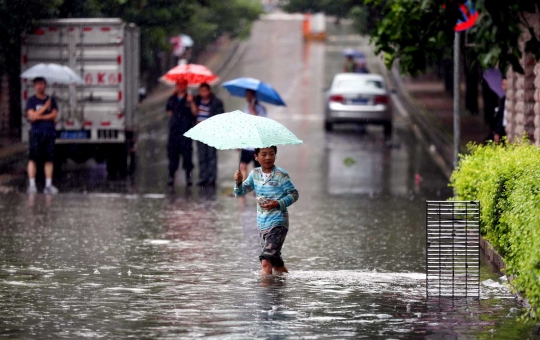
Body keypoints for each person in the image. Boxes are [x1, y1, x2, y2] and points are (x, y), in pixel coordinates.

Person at [233, 146, 299, 275]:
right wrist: (238, 182)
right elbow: (240, 193)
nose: (268, 157)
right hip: (263, 224)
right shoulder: (254, 174)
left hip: (278, 223)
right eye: (264, 154)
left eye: (271, 154)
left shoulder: (281, 174)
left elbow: (294, 194)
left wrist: (278, 203)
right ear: (256, 157)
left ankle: (266, 294)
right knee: (276, 264)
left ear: (275, 155)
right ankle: (284, 283)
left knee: (265, 261)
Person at [26, 77, 59, 194]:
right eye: (37, 84)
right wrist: (45, 108)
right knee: (33, 159)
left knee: (49, 160)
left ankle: (48, 185)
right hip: (36, 133)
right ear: (34, 86)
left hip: (49, 133)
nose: (39, 86)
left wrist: (39, 116)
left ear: (45, 85)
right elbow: (31, 116)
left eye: (41, 84)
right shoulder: (31, 101)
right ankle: (32, 185)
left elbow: (54, 115)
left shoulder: (52, 100)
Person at [166, 79, 198, 189]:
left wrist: (191, 102)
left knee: (187, 155)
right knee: (172, 155)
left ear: (186, 86)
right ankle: (171, 176)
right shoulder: (172, 98)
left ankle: (188, 177)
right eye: (178, 84)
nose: (180, 86)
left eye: (183, 84)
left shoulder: (190, 98)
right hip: (174, 132)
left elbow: (195, 112)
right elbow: (169, 112)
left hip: (186, 131)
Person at [194, 83, 225, 187]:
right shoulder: (197, 101)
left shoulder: (216, 102)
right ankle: (203, 177)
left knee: (211, 155)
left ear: (209, 91)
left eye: (205, 90)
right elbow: (193, 113)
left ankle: (212, 178)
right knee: (202, 155)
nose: (203, 93)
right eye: (201, 91)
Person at [240, 89, 267, 180]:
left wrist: (254, 112)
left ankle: (257, 189)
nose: (247, 97)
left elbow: (261, 125)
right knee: (243, 165)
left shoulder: (261, 109)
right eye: (246, 95)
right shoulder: (246, 108)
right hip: (247, 144)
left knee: (257, 169)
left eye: (249, 95)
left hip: (257, 144)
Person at [494, 78, 507, 144]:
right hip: (503, 128)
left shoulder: (511, 100)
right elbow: (501, 116)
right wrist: (497, 132)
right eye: (503, 84)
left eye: (505, 84)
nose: (504, 86)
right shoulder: (503, 99)